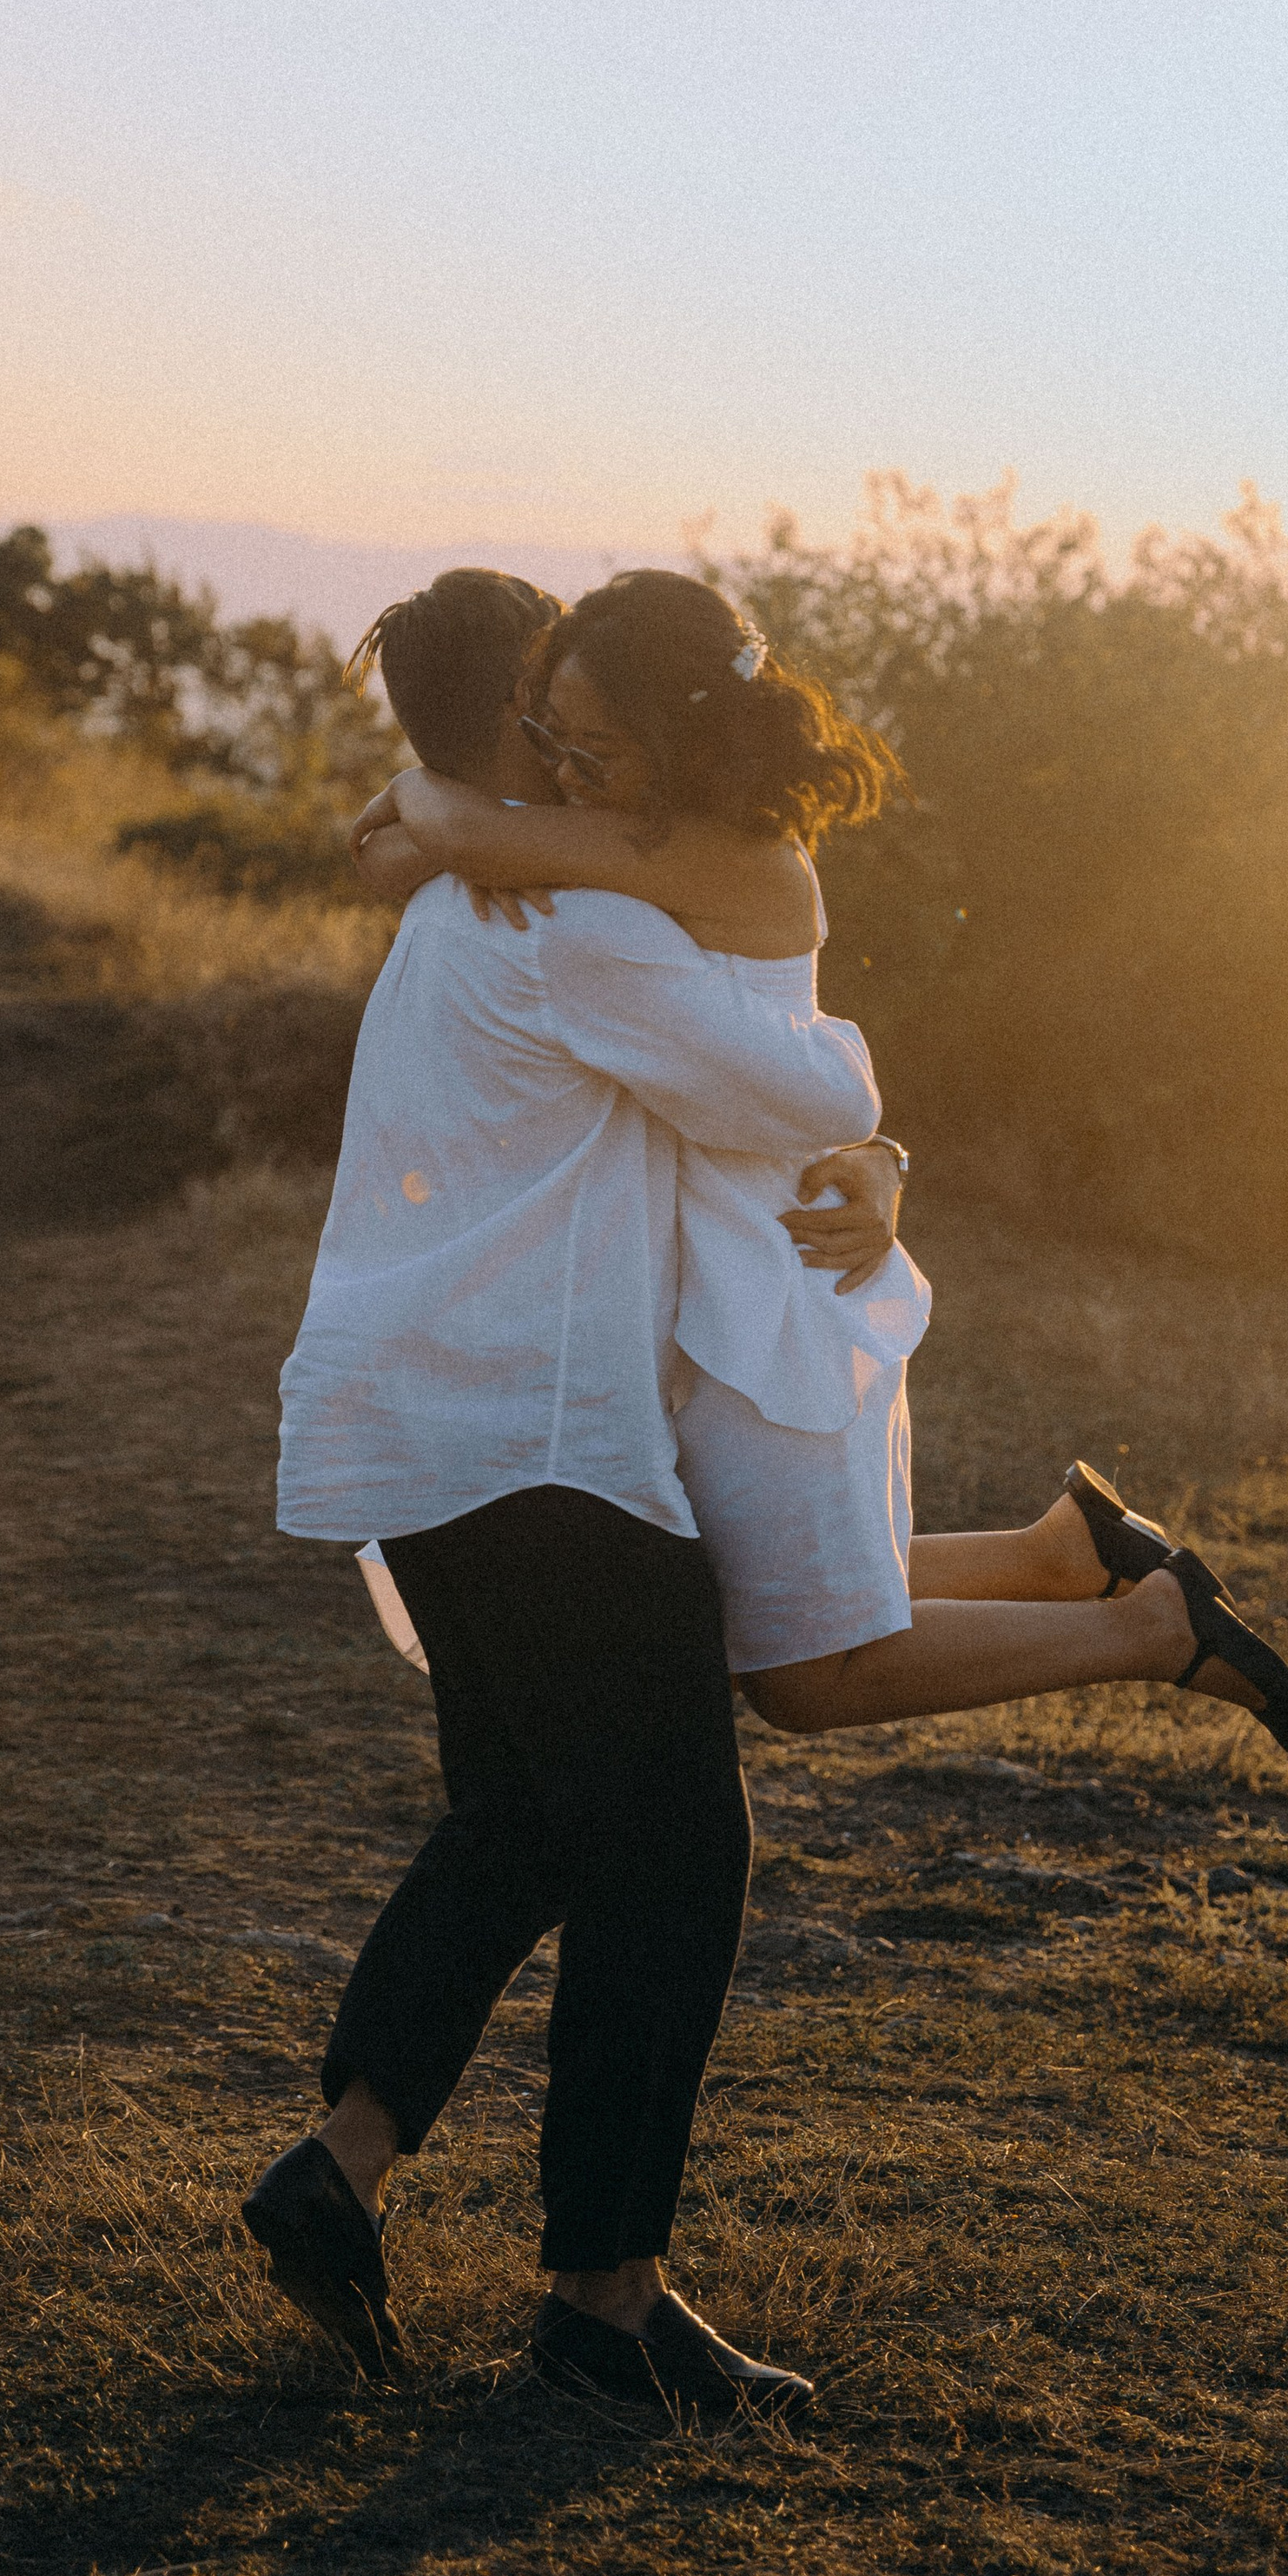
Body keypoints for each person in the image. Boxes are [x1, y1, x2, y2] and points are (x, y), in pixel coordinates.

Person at [252, 572, 904, 2423]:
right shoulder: (570, 927)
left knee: (527, 1819)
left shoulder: (476, 900)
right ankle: (600, 2307)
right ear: (530, 729)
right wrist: (877, 1134)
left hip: (416, 1427)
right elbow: (784, 1090)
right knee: (679, 1852)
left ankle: (340, 2170)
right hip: (531, 1441)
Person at [353, 566, 1288, 1752]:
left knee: (807, 1670)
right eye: (555, 733)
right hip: (716, 1269)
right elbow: (437, 850)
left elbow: (447, 842)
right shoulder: (617, 842)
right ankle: (1056, 1555)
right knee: (747, 1597)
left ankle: (1154, 1630)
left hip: (775, 1269)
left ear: (673, 734)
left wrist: (427, 800)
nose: (567, 765)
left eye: (593, 740)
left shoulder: (687, 858)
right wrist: (432, 817)